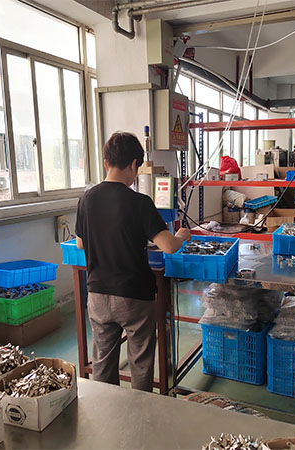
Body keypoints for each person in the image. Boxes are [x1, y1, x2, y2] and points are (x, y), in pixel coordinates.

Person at [75, 131, 191, 392]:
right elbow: (169, 246)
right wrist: (182, 235)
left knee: (103, 362)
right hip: (134, 297)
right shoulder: (140, 202)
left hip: (97, 294)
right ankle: (139, 409)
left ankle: (106, 408)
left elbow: (81, 243)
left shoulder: (87, 199)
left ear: (106, 163)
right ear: (134, 165)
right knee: (140, 362)